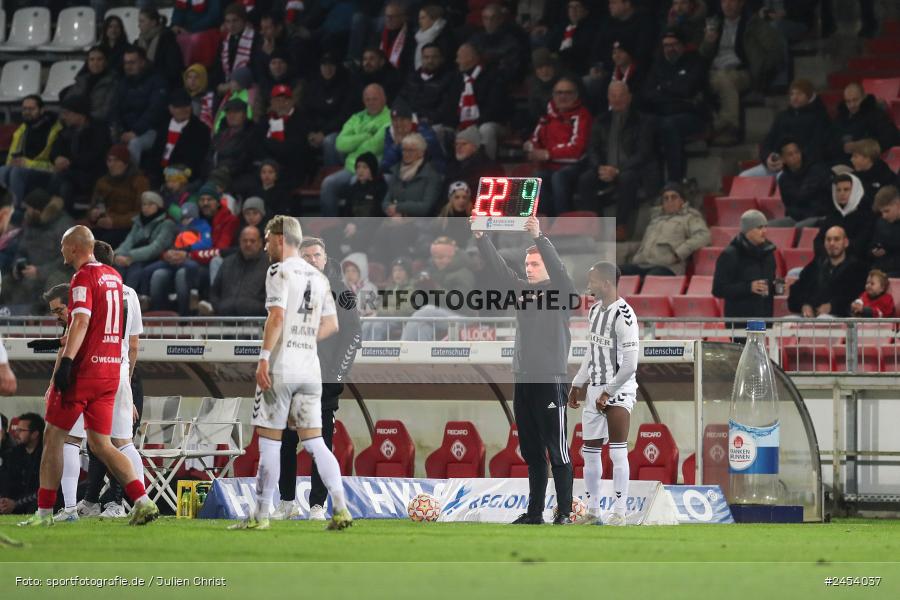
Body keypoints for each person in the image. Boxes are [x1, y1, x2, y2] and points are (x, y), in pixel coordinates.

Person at [18, 226, 158, 527]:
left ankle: (46, 513)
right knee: (104, 443)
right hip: (113, 372)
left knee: (55, 438)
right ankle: (143, 501)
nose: (61, 252)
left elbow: (80, 320)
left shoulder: (82, 278)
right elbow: (130, 341)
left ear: (74, 248)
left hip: (85, 371)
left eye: (63, 246)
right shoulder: (116, 279)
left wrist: (66, 362)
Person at [228, 216, 351, 531]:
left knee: (269, 442)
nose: (266, 244)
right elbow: (331, 325)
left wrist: (265, 357)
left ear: (282, 239)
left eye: (269, 238)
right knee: (316, 442)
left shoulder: (278, 270)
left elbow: (277, 317)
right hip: (311, 369)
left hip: (283, 367)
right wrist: (303, 339)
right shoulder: (319, 278)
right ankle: (339, 508)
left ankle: (260, 515)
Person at [472, 215, 576, 524]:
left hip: (550, 379)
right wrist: (481, 238)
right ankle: (534, 513)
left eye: (535, 264)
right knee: (531, 451)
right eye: (527, 265)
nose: (529, 269)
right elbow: (501, 272)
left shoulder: (561, 295)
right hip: (524, 380)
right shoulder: (522, 293)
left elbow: (560, 272)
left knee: (557, 449)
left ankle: (565, 513)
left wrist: (540, 238)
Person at [273, 236, 361, 521]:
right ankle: (286, 502)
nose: (312, 260)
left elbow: (353, 336)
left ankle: (317, 506)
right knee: (285, 442)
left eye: (317, 255)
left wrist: (338, 372)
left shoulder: (342, 293)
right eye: (306, 256)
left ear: (325, 258)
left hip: (323, 382)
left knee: (319, 444)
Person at [68, 241, 145, 520]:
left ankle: (68, 507)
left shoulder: (88, 286)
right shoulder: (129, 293)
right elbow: (134, 344)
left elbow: (79, 329)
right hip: (121, 370)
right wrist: (129, 376)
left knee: (73, 438)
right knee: (122, 442)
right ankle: (142, 499)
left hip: (92, 371)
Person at [568, 262, 639, 526]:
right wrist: (578, 383)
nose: (589, 286)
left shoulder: (625, 316)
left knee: (618, 452)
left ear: (607, 283)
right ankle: (593, 512)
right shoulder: (595, 311)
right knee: (589, 452)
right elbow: (592, 351)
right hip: (595, 388)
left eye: (593, 281)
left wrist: (608, 392)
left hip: (618, 389)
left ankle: (619, 513)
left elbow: (631, 364)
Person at [575, 81, 655, 241]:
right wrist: (600, 168)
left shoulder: (642, 121)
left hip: (631, 169)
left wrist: (618, 170)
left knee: (627, 178)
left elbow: (643, 153)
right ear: (608, 98)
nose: (617, 99)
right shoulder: (601, 120)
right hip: (605, 169)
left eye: (621, 95)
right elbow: (593, 149)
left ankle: (620, 225)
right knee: (585, 180)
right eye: (613, 95)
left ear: (629, 97)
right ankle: (597, 226)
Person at [699, 0, 783, 145]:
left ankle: (720, 126)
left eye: (732, 1)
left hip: (741, 72)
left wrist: (760, 67)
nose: (727, 5)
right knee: (722, 79)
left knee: (725, 79)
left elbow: (775, 52)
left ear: (742, 3)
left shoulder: (754, 24)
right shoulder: (714, 24)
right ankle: (727, 126)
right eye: (724, 1)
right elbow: (702, 55)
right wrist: (708, 42)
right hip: (714, 73)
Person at [642, 29, 708, 183]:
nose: (670, 49)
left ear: (683, 45)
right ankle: (653, 183)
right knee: (648, 124)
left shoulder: (695, 61)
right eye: (666, 45)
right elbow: (647, 94)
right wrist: (673, 90)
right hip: (664, 113)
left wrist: (662, 88)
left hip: (693, 115)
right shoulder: (658, 64)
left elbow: (687, 89)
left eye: (674, 44)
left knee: (669, 125)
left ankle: (674, 181)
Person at [319, 84, 391, 217]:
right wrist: (365, 136)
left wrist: (354, 145)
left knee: (356, 183)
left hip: (372, 170)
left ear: (383, 99)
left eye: (375, 99)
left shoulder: (389, 118)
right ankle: (329, 227)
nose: (371, 103)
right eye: (368, 99)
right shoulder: (357, 117)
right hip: (351, 167)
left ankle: (356, 231)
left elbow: (374, 146)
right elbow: (340, 144)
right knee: (328, 184)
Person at [526, 77, 593, 216]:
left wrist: (548, 154)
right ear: (553, 95)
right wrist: (531, 148)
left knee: (559, 177)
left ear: (576, 96)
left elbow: (577, 150)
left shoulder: (582, 115)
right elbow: (535, 139)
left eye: (568, 93)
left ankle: (564, 221)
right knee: (538, 177)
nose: (563, 96)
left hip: (577, 165)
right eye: (559, 93)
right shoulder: (547, 116)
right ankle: (545, 222)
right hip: (550, 165)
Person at [742, 79, 831, 177]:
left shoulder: (819, 118)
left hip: (802, 168)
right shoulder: (782, 117)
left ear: (809, 96)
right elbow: (768, 142)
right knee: (744, 176)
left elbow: (815, 149)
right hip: (776, 165)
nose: (795, 98)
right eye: (792, 94)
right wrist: (768, 158)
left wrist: (789, 161)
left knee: (782, 178)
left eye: (799, 94)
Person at [622, 183, 711, 277]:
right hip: (642, 264)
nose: (669, 201)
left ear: (682, 201)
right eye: (666, 198)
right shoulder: (656, 219)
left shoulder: (690, 218)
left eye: (674, 197)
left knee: (651, 279)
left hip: (668, 267)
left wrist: (679, 253)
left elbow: (704, 236)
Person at [439, 43, 507, 160]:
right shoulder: (457, 78)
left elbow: (494, 107)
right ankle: (445, 171)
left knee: (486, 129)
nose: (456, 61)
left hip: (489, 123)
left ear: (470, 58)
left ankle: (486, 167)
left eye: (459, 57)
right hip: (461, 125)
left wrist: (473, 126)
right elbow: (450, 105)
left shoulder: (492, 76)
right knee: (438, 130)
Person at [49, 95, 112, 215]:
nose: (64, 117)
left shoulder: (99, 130)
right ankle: (60, 218)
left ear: (80, 114)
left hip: (92, 175)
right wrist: (57, 158)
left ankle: (56, 217)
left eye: (67, 113)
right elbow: (55, 150)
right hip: (70, 174)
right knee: (65, 184)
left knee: (60, 179)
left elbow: (95, 156)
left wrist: (69, 162)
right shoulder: (66, 131)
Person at [788, 225, 867, 318]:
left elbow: (857, 297)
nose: (832, 243)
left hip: (841, 317)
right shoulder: (815, 265)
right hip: (811, 316)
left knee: (823, 319)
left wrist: (832, 307)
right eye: (828, 240)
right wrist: (804, 305)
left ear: (846, 243)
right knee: (783, 323)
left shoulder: (857, 268)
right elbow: (796, 292)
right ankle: (765, 332)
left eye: (836, 239)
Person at [712, 209, 777, 320]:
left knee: (757, 338)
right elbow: (718, 289)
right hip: (740, 321)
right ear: (748, 230)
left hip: (762, 317)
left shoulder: (768, 254)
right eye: (759, 227)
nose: (764, 231)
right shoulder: (730, 255)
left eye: (766, 227)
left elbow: (768, 285)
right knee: (752, 338)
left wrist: (777, 287)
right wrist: (749, 287)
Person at [0, 95, 62, 205]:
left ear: (41, 110)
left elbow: (52, 165)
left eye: (31, 109)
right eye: (24, 109)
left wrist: (27, 163)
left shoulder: (55, 130)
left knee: (16, 172)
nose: (27, 112)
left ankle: (15, 210)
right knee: (3, 169)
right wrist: (12, 162)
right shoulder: (23, 129)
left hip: (46, 173)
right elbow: (13, 154)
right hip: (26, 168)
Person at [88, 145, 150, 248]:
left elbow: (142, 213)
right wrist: (93, 214)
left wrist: (115, 222)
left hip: (128, 227)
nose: (112, 164)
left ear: (125, 163)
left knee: (104, 244)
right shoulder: (103, 182)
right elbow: (93, 206)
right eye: (109, 161)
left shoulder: (139, 182)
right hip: (104, 224)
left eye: (116, 161)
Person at [827, 82, 899, 165]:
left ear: (864, 97)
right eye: (848, 101)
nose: (852, 105)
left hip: (867, 162)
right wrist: (842, 147)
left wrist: (862, 146)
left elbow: (890, 138)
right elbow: (829, 142)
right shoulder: (840, 117)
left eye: (855, 100)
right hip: (841, 161)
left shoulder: (876, 115)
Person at [206, 226, 268, 316]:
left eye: (252, 241)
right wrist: (219, 307)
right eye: (244, 240)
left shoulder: (270, 265)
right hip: (225, 320)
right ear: (239, 242)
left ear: (260, 243)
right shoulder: (227, 262)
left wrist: (259, 310)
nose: (248, 244)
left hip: (256, 322)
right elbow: (214, 292)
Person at [770, 138, 831, 228]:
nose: (795, 156)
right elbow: (789, 206)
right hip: (796, 218)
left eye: (797, 152)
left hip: (819, 216)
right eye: (790, 154)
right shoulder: (783, 179)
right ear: (783, 159)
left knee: (798, 227)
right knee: (767, 227)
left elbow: (822, 202)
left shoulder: (817, 171)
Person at [813, 172, 874, 260]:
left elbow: (860, 245)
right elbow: (818, 241)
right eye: (838, 190)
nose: (841, 193)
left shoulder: (867, 216)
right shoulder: (833, 215)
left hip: (855, 264)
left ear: (855, 191)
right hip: (827, 262)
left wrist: (835, 252)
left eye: (846, 189)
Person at [382, 133, 444, 217]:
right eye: (404, 150)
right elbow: (386, 201)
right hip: (395, 219)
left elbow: (425, 207)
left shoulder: (431, 175)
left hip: (420, 224)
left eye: (410, 150)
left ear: (421, 153)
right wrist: (394, 212)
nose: (406, 153)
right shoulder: (396, 171)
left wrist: (398, 208)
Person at [156, 89, 210, 178]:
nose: (183, 109)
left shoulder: (201, 130)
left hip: (182, 178)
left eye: (186, 105)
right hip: (158, 175)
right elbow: (155, 154)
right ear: (170, 109)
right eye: (179, 106)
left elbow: (195, 161)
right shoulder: (163, 126)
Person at [0, 413, 42, 515]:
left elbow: (44, 490)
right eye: (16, 430)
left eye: (21, 430)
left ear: (35, 434)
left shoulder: (46, 457)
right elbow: (5, 481)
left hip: (32, 504)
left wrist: (16, 504)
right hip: (11, 503)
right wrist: (3, 501)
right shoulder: (13, 454)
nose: (16, 434)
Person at [135, 8, 185, 89]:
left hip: (163, 86)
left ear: (153, 23)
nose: (139, 25)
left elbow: (172, 70)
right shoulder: (138, 42)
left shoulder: (167, 40)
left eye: (142, 21)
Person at [847, 139, 896, 209]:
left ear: (867, 158)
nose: (851, 159)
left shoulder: (886, 175)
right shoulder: (852, 177)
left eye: (855, 156)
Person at [869, 186, 900, 277]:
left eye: (887, 211)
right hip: (883, 270)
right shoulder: (881, 223)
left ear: (898, 205)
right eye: (881, 212)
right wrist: (874, 251)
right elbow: (873, 244)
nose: (884, 216)